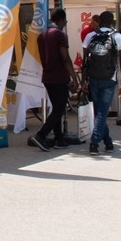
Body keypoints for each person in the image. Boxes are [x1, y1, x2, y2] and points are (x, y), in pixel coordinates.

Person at [30, 8, 80, 151]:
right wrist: (75, 79)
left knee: (56, 108)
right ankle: (41, 135)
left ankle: (59, 139)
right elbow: (66, 58)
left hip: (47, 77)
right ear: (62, 20)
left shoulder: (42, 35)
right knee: (59, 109)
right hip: (59, 77)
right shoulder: (60, 35)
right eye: (65, 21)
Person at [83, 11, 121, 154]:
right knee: (102, 112)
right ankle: (94, 143)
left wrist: (84, 81)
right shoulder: (119, 37)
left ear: (99, 21)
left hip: (93, 78)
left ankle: (108, 142)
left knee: (99, 112)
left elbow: (85, 61)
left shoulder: (90, 36)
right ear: (112, 22)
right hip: (110, 79)